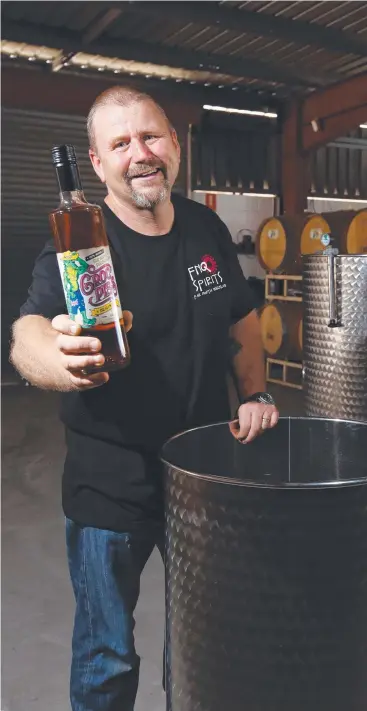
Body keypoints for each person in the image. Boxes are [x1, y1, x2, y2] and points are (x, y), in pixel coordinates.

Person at [10, 85, 279, 711]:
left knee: (198, 641)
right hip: (110, 485)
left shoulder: (207, 227)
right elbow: (29, 333)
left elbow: (241, 320)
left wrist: (255, 390)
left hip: (203, 474)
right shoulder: (81, 244)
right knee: (107, 656)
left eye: (151, 136)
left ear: (176, 146)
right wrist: (55, 358)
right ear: (97, 163)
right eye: (120, 142)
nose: (141, 153)